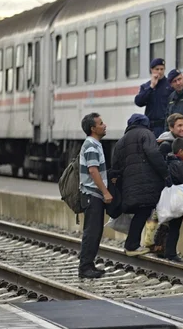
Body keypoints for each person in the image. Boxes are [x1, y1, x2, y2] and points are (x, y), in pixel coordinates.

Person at [111, 114, 172, 257]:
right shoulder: (146, 134)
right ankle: (132, 245)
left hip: (129, 185)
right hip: (146, 182)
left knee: (141, 212)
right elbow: (153, 154)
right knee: (144, 211)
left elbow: (115, 166)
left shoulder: (121, 141)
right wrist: (165, 174)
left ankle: (133, 244)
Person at [78, 112, 112, 279]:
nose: (104, 125)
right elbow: (93, 170)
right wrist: (105, 191)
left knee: (95, 231)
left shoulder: (94, 144)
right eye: (101, 123)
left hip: (94, 194)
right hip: (92, 194)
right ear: (93, 128)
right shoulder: (91, 145)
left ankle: (89, 264)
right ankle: (85, 267)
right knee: (91, 231)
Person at [134, 58, 173, 138]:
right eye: (157, 69)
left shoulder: (170, 85)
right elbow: (139, 102)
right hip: (151, 126)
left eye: (162, 69)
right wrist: (151, 87)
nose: (159, 71)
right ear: (151, 70)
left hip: (165, 125)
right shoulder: (146, 86)